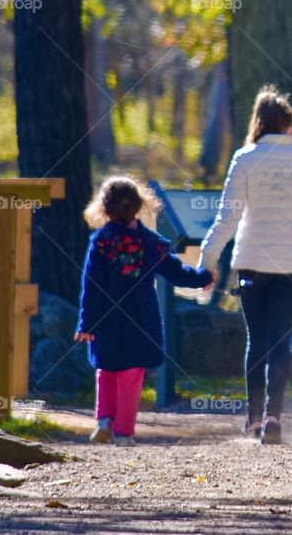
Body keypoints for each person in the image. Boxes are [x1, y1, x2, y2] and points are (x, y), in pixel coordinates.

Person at [199, 85, 292, 445]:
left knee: (255, 340)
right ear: (290, 125)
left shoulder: (244, 159)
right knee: (280, 340)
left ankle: (253, 419)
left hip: (251, 262)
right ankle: (275, 416)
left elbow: (227, 218)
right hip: (290, 262)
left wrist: (208, 260)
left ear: (259, 123)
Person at [76, 176, 216, 446]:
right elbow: (177, 273)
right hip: (141, 318)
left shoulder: (101, 242)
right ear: (139, 206)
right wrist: (203, 277)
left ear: (104, 208)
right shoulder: (150, 242)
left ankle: (104, 419)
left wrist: (86, 322)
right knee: (131, 375)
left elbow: (90, 285)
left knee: (106, 371)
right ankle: (124, 433)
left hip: (106, 319)